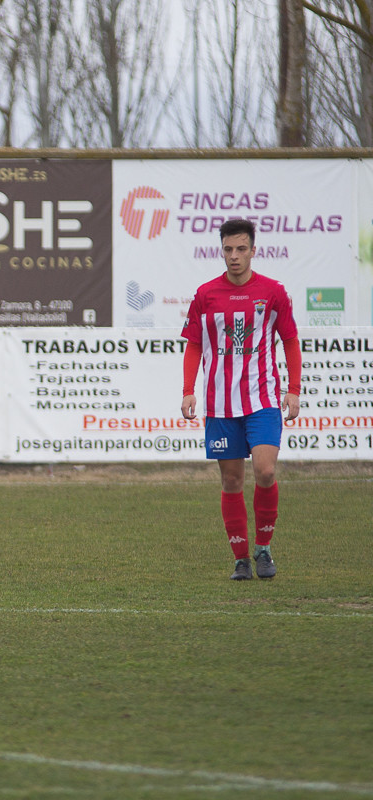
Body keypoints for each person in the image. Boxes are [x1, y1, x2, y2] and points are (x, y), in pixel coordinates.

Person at [180, 218, 301, 581]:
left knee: (265, 471)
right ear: (222, 250)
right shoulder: (206, 295)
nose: (234, 256)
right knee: (232, 480)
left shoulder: (273, 292)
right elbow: (194, 344)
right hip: (220, 405)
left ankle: (263, 549)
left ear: (253, 250)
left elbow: (290, 340)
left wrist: (294, 389)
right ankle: (241, 560)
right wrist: (188, 389)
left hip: (262, 399)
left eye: (241, 249)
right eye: (228, 249)